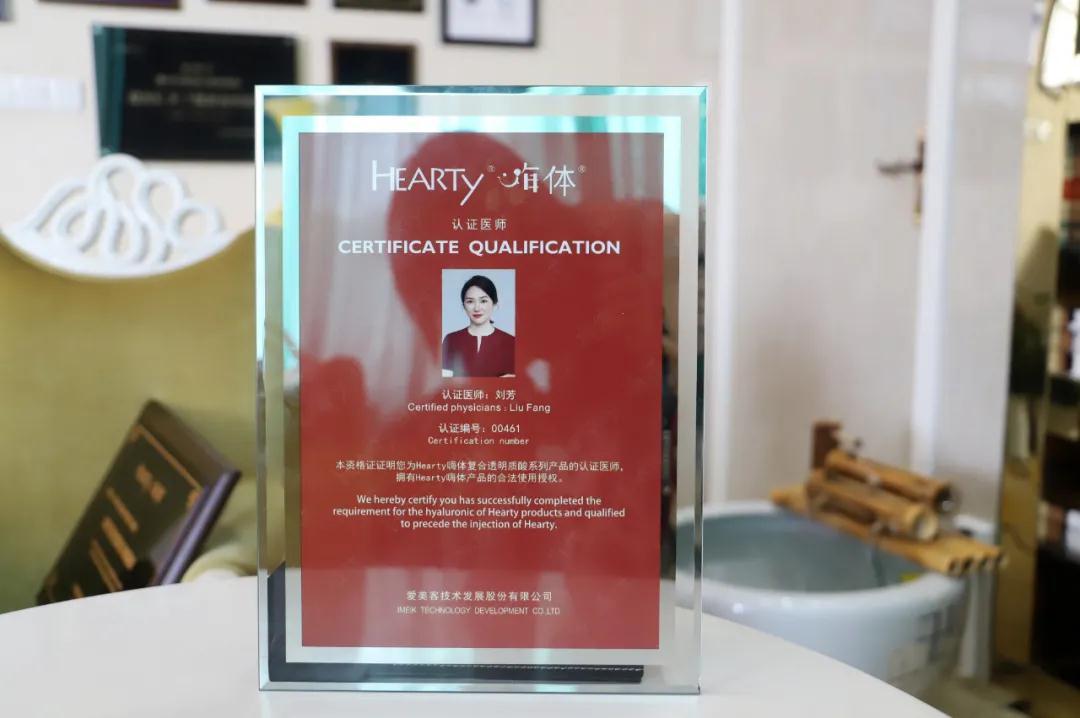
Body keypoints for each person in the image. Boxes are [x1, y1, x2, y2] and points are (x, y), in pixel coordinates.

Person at [442, 275, 515, 378]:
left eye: (483, 301)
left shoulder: (511, 342)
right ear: (464, 306)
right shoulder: (451, 339)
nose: (477, 308)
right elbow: (444, 382)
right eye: (470, 301)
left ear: (494, 304)